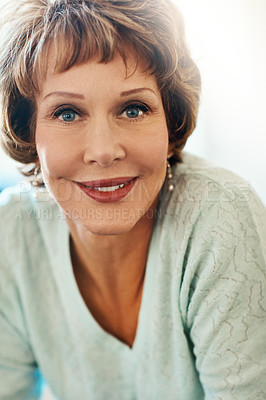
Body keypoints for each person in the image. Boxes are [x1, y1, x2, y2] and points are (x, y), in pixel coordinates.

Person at [0, 0, 265, 399]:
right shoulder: (11, 235)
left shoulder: (220, 217)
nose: (104, 151)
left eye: (133, 108)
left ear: (170, 120)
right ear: (28, 130)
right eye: (68, 113)